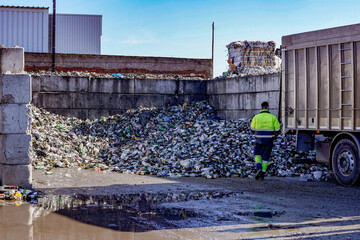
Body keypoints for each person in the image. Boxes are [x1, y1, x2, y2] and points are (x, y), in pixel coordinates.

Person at [250, 101, 280, 180]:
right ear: (268, 107)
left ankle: (258, 168)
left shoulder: (256, 117)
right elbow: (278, 129)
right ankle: (263, 173)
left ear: (261, 107)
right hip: (269, 140)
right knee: (265, 157)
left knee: (257, 154)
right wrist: (274, 135)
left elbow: (252, 129)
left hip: (259, 140)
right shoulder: (273, 117)